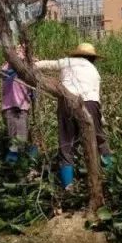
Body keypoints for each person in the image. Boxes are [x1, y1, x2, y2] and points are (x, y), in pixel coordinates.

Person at [35, 42, 112, 189]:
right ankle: (110, 175)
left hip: (68, 102)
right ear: (92, 58)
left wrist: (32, 64)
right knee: (99, 139)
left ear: (77, 54)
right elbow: (97, 97)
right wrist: (101, 118)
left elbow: (47, 65)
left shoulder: (68, 61)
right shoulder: (94, 71)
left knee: (66, 142)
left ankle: (68, 186)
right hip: (91, 104)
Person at [0, 45, 36, 164]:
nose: (20, 53)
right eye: (18, 50)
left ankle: (21, 162)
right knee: (13, 136)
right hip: (10, 105)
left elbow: (33, 84)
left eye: (23, 51)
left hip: (23, 106)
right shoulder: (8, 66)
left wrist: (33, 95)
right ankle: (13, 164)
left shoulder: (28, 68)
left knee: (22, 135)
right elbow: (2, 73)